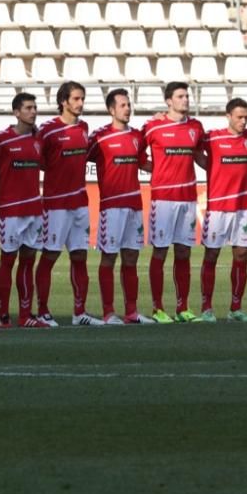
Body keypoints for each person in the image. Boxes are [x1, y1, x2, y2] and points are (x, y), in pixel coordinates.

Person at [35, 81, 106, 327]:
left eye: (82, 99)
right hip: (55, 204)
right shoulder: (48, 130)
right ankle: (43, 311)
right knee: (50, 256)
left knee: (79, 256)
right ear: (63, 101)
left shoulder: (84, 127)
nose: (80, 104)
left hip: (80, 203)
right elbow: (38, 160)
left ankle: (80, 313)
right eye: (75, 99)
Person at [0, 92, 47, 328]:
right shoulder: (3, 139)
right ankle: (4, 315)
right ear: (16, 112)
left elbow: (48, 165)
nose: (33, 111)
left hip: (34, 209)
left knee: (28, 261)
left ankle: (25, 315)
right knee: (8, 260)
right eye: (28, 108)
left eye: (35, 107)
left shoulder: (39, 139)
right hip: (10, 210)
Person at [141, 81, 206, 324]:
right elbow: (137, 155)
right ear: (169, 101)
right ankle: (158, 308)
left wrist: (224, 168)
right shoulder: (153, 126)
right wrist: (156, 170)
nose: (185, 100)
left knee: (183, 252)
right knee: (160, 251)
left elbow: (200, 156)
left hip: (188, 199)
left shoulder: (195, 127)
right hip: (163, 200)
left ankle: (183, 308)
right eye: (180, 96)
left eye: (187, 95)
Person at [88, 89, 154, 324]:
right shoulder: (99, 137)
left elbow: (143, 162)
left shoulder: (137, 136)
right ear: (111, 110)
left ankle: (132, 312)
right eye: (123, 105)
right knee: (108, 258)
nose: (128, 108)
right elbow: (78, 157)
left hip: (134, 206)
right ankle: (108, 313)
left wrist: (164, 167)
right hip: (111, 207)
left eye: (129, 104)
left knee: (131, 258)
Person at [195, 97, 247, 322]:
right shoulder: (213, 137)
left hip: (242, 208)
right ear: (228, 116)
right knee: (212, 255)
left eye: (246, 117)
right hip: (218, 209)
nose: (243, 121)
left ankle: (236, 308)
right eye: (239, 117)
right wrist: (209, 166)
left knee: (242, 255)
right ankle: (206, 308)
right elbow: (193, 147)